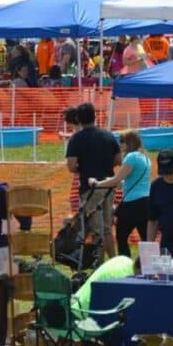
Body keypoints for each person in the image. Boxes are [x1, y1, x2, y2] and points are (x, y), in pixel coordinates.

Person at [66, 102, 121, 259]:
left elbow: (71, 166)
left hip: (90, 190)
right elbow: (119, 159)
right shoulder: (107, 135)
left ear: (78, 119)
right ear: (94, 116)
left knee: (95, 230)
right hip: (109, 186)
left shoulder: (76, 139)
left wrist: (81, 168)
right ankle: (113, 261)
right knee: (107, 228)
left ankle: (99, 265)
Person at [88, 129, 151, 258]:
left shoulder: (131, 157)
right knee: (146, 239)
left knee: (122, 237)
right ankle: (149, 269)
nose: (120, 144)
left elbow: (116, 179)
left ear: (130, 143)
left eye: (122, 141)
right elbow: (124, 182)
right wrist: (109, 181)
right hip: (146, 202)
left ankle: (126, 267)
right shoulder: (145, 157)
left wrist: (97, 184)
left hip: (132, 203)